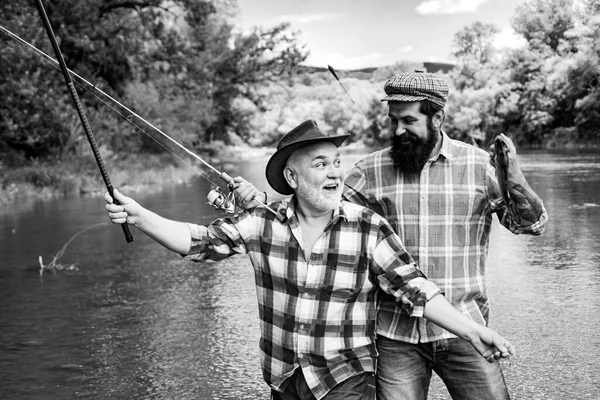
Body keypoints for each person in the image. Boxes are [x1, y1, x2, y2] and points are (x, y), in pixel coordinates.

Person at [105, 120, 514, 400]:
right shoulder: (260, 223)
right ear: (292, 178)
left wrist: (471, 330)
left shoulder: (366, 227)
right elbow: (198, 242)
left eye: (336, 163)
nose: (335, 173)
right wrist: (141, 216)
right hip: (285, 380)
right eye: (321, 165)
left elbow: (418, 290)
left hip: (346, 382)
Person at [342, 70, 548, 400]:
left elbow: (530, 225)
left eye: (408, 121)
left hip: (467, 328)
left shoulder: (480, 166)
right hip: (394, 334)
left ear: (437, 117)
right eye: (393, 120)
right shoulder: (369, 170)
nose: (398, 130)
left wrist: (515, 178)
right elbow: (325, 222)